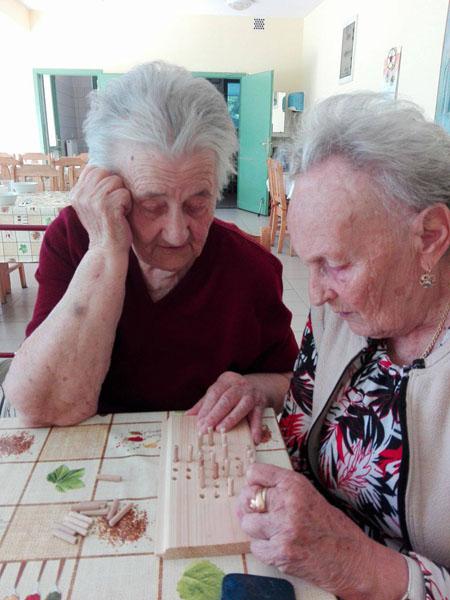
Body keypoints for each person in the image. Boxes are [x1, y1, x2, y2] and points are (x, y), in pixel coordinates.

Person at [3, 62, 298, 438]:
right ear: (111, 191)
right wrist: (106, 251)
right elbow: (40, 407)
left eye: (197, 204)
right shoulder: (74, 239)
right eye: (152, 205)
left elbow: (291, 381)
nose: (177, 234)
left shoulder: (250, 268)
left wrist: (256, 389)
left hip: (199, 453)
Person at [236, 92, 450, 598]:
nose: (315, 294)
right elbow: (299, 423)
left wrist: (356, 563)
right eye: (308, 263)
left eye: (336, 264)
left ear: (430, 237)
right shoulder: (341, 317)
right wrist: (258, 390)